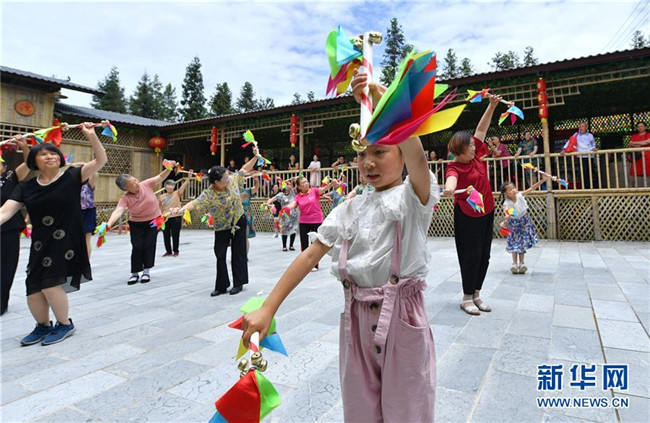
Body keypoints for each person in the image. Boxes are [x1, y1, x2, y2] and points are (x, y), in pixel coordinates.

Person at [242, 71, 439, 422]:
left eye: (380, 152)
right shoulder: (348, 208)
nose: (369, 162)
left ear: (401, 155)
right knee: (359, 409)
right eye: (362, 154)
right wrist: (268, 308)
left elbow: (418, 158)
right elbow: (310, 255)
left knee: (407, 409)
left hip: (402, 318)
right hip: (355, 320)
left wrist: (384, 102)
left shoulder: (413, 199)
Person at [0, 123, 107, 345]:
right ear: (34, 161)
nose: (49, 156)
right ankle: (43, 326)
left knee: (49, 283)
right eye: (43, 154)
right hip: (40, 243)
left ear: (60, 158)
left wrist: (91, 136)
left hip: (66, 239)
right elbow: (5, 212)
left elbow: (100, 160)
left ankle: (65, 324)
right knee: (33, 287)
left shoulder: (72, 177)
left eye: (53, 153)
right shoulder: (26, 187)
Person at [443, 94, 501, 316]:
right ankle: (466, 297)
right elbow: (451, 179)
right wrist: (449, 188)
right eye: (470, 146)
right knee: (471, 255)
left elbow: (481, 129)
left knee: (484, 255)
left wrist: (492, 106)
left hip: (487, 211)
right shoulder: (454, 167)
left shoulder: (475, 157)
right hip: (468, 215)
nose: (475, 148)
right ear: (460, 150)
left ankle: (477, 294)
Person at [173, 152, 259, 296]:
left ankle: (239, 283)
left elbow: (245, 168)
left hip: (238, 220)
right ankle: (221, 285)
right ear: (216, 182)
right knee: (220, 254)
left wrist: (256, 157)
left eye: (228, 175)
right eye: (225, 177)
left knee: (238, 252)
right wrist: (182, 209)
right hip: (221, 225)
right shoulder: (209, 194)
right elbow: (195, 202)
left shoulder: (232, 180)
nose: (228, 178)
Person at [106, 162, 176, 285]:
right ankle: (134, 273)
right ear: (125, 188)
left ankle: (146, 271)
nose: (136, 182)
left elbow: (160, 177)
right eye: (132, 183)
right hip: (136, 223)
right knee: (137, 246)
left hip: (154, 221)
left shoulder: (146, 184)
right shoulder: (125, 198)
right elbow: (118, 210)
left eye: (135, 179)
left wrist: (169, 168)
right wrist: (108, 225)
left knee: (149, 245)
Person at [0, 136, 30, 315]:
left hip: (8, 227)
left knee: (5, 266)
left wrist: (24, 147)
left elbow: (29, 163)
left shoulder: (11, 177)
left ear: (3, 166)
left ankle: (1, 302)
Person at [284, 176, 337, 270]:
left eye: (306, 181)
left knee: (315, 244)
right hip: (304, 222)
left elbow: (323, 189)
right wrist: (287, 208)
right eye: (303, 183)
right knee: (304, 244)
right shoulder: (298, 197)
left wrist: (330, 185)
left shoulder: (314, 191)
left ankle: (314, 265)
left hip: (316, 220)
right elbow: (293, 204)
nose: (306, 184)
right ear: (299, 187)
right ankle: (305, 264)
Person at [499, 175, 547, 274]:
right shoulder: (507, 202)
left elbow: (532, 188)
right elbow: (506, 211)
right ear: (505, 193)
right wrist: (506, 217)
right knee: (514, 243)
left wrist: (543, 180)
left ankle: (522, 263)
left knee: (521, 243)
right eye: (510, 189)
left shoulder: (520, 195)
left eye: (513, 188)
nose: (513, 190)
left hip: (524, 222)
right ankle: (514, 264)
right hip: (514, 224)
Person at [158, 171, 193, 257]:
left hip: (176, 217)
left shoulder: (177, 193)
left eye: (172, 185)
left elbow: (183, 186)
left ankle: (176, 251)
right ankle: (168, 251)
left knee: (175, 235)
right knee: (166, 235)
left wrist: (188, 178)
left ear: (174, 186)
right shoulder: (161, 197)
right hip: (165, 218)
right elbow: (159, 208)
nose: (170, 187)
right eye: (168, 185)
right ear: (165, 186)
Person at [561, 122, 597, 189]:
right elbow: (569, 142)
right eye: (580, 126)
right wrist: (564, 149)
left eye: (583, 126)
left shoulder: (590, 136)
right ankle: (585, 189)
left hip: (589, 156)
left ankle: (590, 188)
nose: (581, 128)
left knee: (589, 173)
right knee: (582, 173)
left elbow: (593, 145)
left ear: (586, 127)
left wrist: (594, 148)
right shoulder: (576, 134)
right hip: (581, 156)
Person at [266, 182, 299, 251]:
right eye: (287, 185)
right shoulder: (280, 195)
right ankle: (284, 246)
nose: (289, 186)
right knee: (284, 230)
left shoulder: (293, 193)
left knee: (293, 230)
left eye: (290, 185)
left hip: (293, 214)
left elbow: (297, 187)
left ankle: (291, 245)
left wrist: (294, 180)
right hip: (284, 215)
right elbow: (272, 199)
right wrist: (267, 204)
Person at [79, 171, 98, 259]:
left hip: (87, 213)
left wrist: (86, 166)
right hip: (74, 213)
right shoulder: (70, 186)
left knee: (86, 239)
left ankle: (86, 262)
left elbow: (95, 175)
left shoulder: (88, 185)